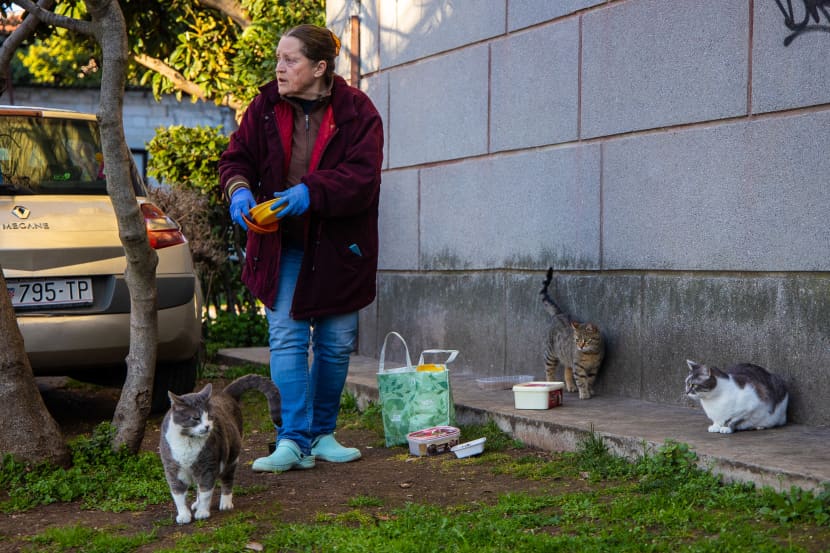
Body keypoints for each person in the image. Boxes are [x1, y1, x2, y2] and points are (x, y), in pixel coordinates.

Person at [218, 24, 383, 472]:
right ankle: (291, 440)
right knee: (287, 337)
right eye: (279, 58)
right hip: (281, 245)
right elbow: (237, 158)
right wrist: (237, 190)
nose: (280, 67)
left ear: (320, 67)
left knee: (334, 343)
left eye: (291, 60)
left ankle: (321, 434)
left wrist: (312, 192)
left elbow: (363, 178)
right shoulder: (265, 106)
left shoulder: (358, 112)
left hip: (337, 248)